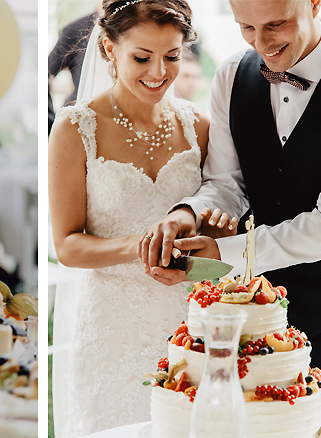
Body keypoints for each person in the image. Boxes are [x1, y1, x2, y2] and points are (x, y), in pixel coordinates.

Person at [48, 1, 238, 435]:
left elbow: (218, 206)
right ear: (110, 50)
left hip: (189, 322)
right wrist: (143, 245)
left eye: (171, 56)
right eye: (141, 57)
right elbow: (67, 246)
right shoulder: (76, 129)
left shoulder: (200, 127)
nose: (159, 72)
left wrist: (214, 229)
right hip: (113, 330)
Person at [140, 0, 321, 404]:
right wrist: (188, 213)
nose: (261, 42)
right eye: (246, 26)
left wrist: (223, 252)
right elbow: (226, 183)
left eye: (276, 24)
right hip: (255, 314)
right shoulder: (232, 75)